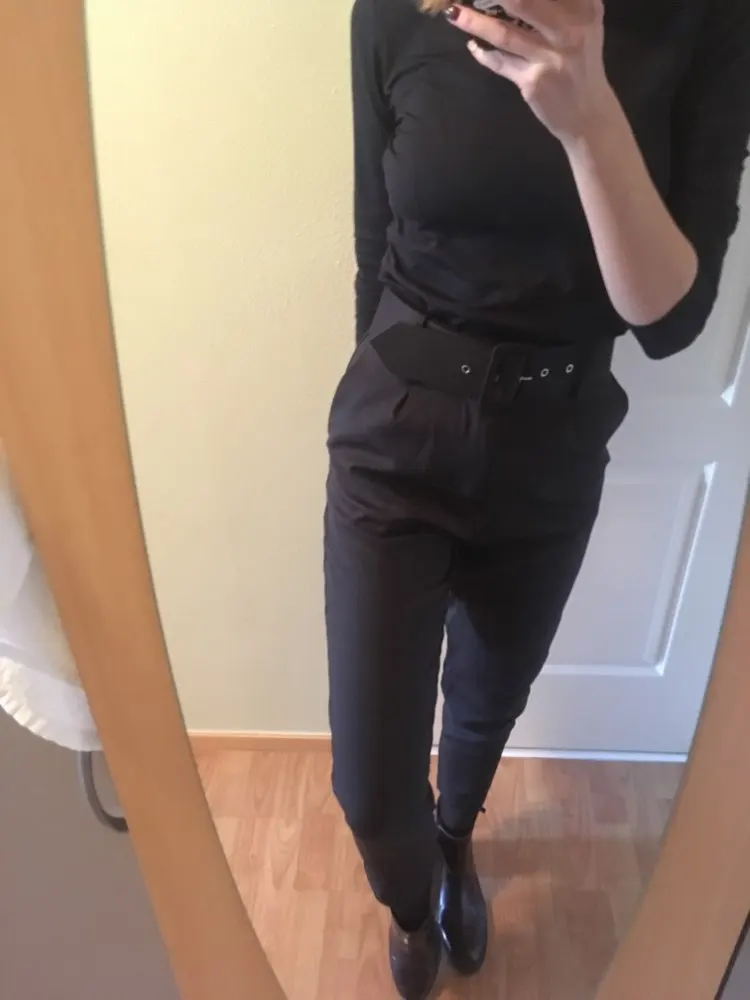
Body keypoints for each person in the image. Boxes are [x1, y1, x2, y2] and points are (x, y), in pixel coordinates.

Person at [323, 1, 750, 997]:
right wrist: (379, 392)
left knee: (484, 705)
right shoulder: (395, 13)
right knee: (369, 786)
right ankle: (410, 901)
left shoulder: (709, 23)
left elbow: (671, 323)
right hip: (396, 429)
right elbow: (375, 233)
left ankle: (454, 841)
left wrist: (590, 118)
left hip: (553, 441)